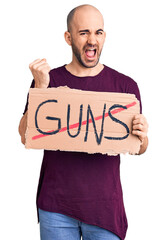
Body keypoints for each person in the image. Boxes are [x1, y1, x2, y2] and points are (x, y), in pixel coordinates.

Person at [19, 4, 148, 240]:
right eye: (83, 32)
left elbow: (139, 147)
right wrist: (40, 89)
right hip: (55, 208)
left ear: (104, 36)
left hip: (105, 211)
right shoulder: (50, 80)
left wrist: (143, 136)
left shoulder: (125, 88)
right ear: (68, 38)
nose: (92, 40)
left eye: (98, 32)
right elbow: (24, 135)